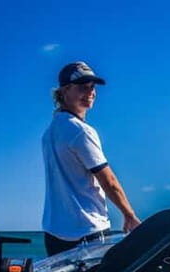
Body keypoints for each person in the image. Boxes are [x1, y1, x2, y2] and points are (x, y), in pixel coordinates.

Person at [42, 61, 140, 256]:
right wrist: (129, 216)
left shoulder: (50, 132)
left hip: (54, 233)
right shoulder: (80, 131)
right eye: (82, 88)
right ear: (64, 91)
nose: (90, 93)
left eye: (92, 87)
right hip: (87, 230)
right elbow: (108, 181)